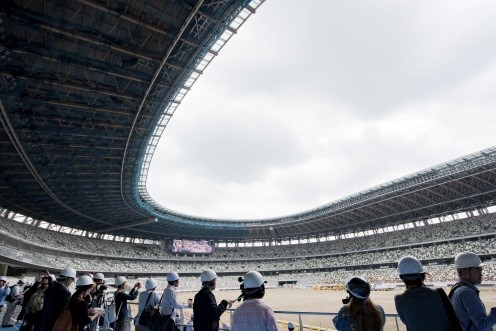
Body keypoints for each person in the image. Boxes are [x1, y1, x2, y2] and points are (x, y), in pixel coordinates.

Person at [394, 256, 455, 331]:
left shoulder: (399, 300)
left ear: (401, 277)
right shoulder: (439, 294)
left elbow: (406, 321)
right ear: (422, 275)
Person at [449, 252, 496, 331]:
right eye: (477, 270)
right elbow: (483, 326)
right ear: (464, 271)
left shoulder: (457, 289)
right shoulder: (467, 292)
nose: (481, 274)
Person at [41, 267, 76, 331]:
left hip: (45, 325)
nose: (72, 282)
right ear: (69, 279)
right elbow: (68, 311)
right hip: (56, 326)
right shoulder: (65, 292)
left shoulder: (50, 289)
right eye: (72, 280)